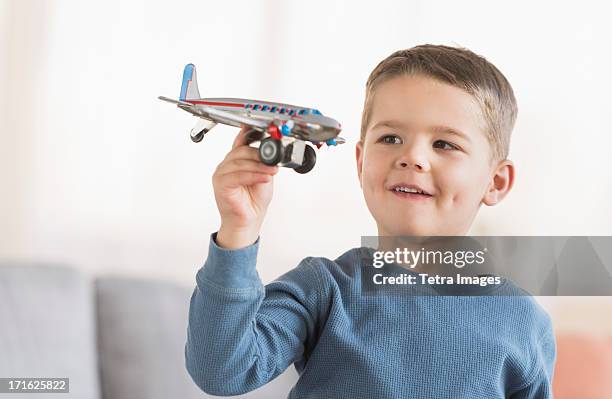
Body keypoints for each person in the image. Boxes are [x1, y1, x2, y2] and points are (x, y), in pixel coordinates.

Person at [185, 44, 556, 398]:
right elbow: (222, 370)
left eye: (444, 144)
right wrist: (238, 230)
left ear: (496, 181)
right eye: (391, 137)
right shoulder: (323, 290)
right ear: (360, 163)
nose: (412, 157)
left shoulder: (523, 322)